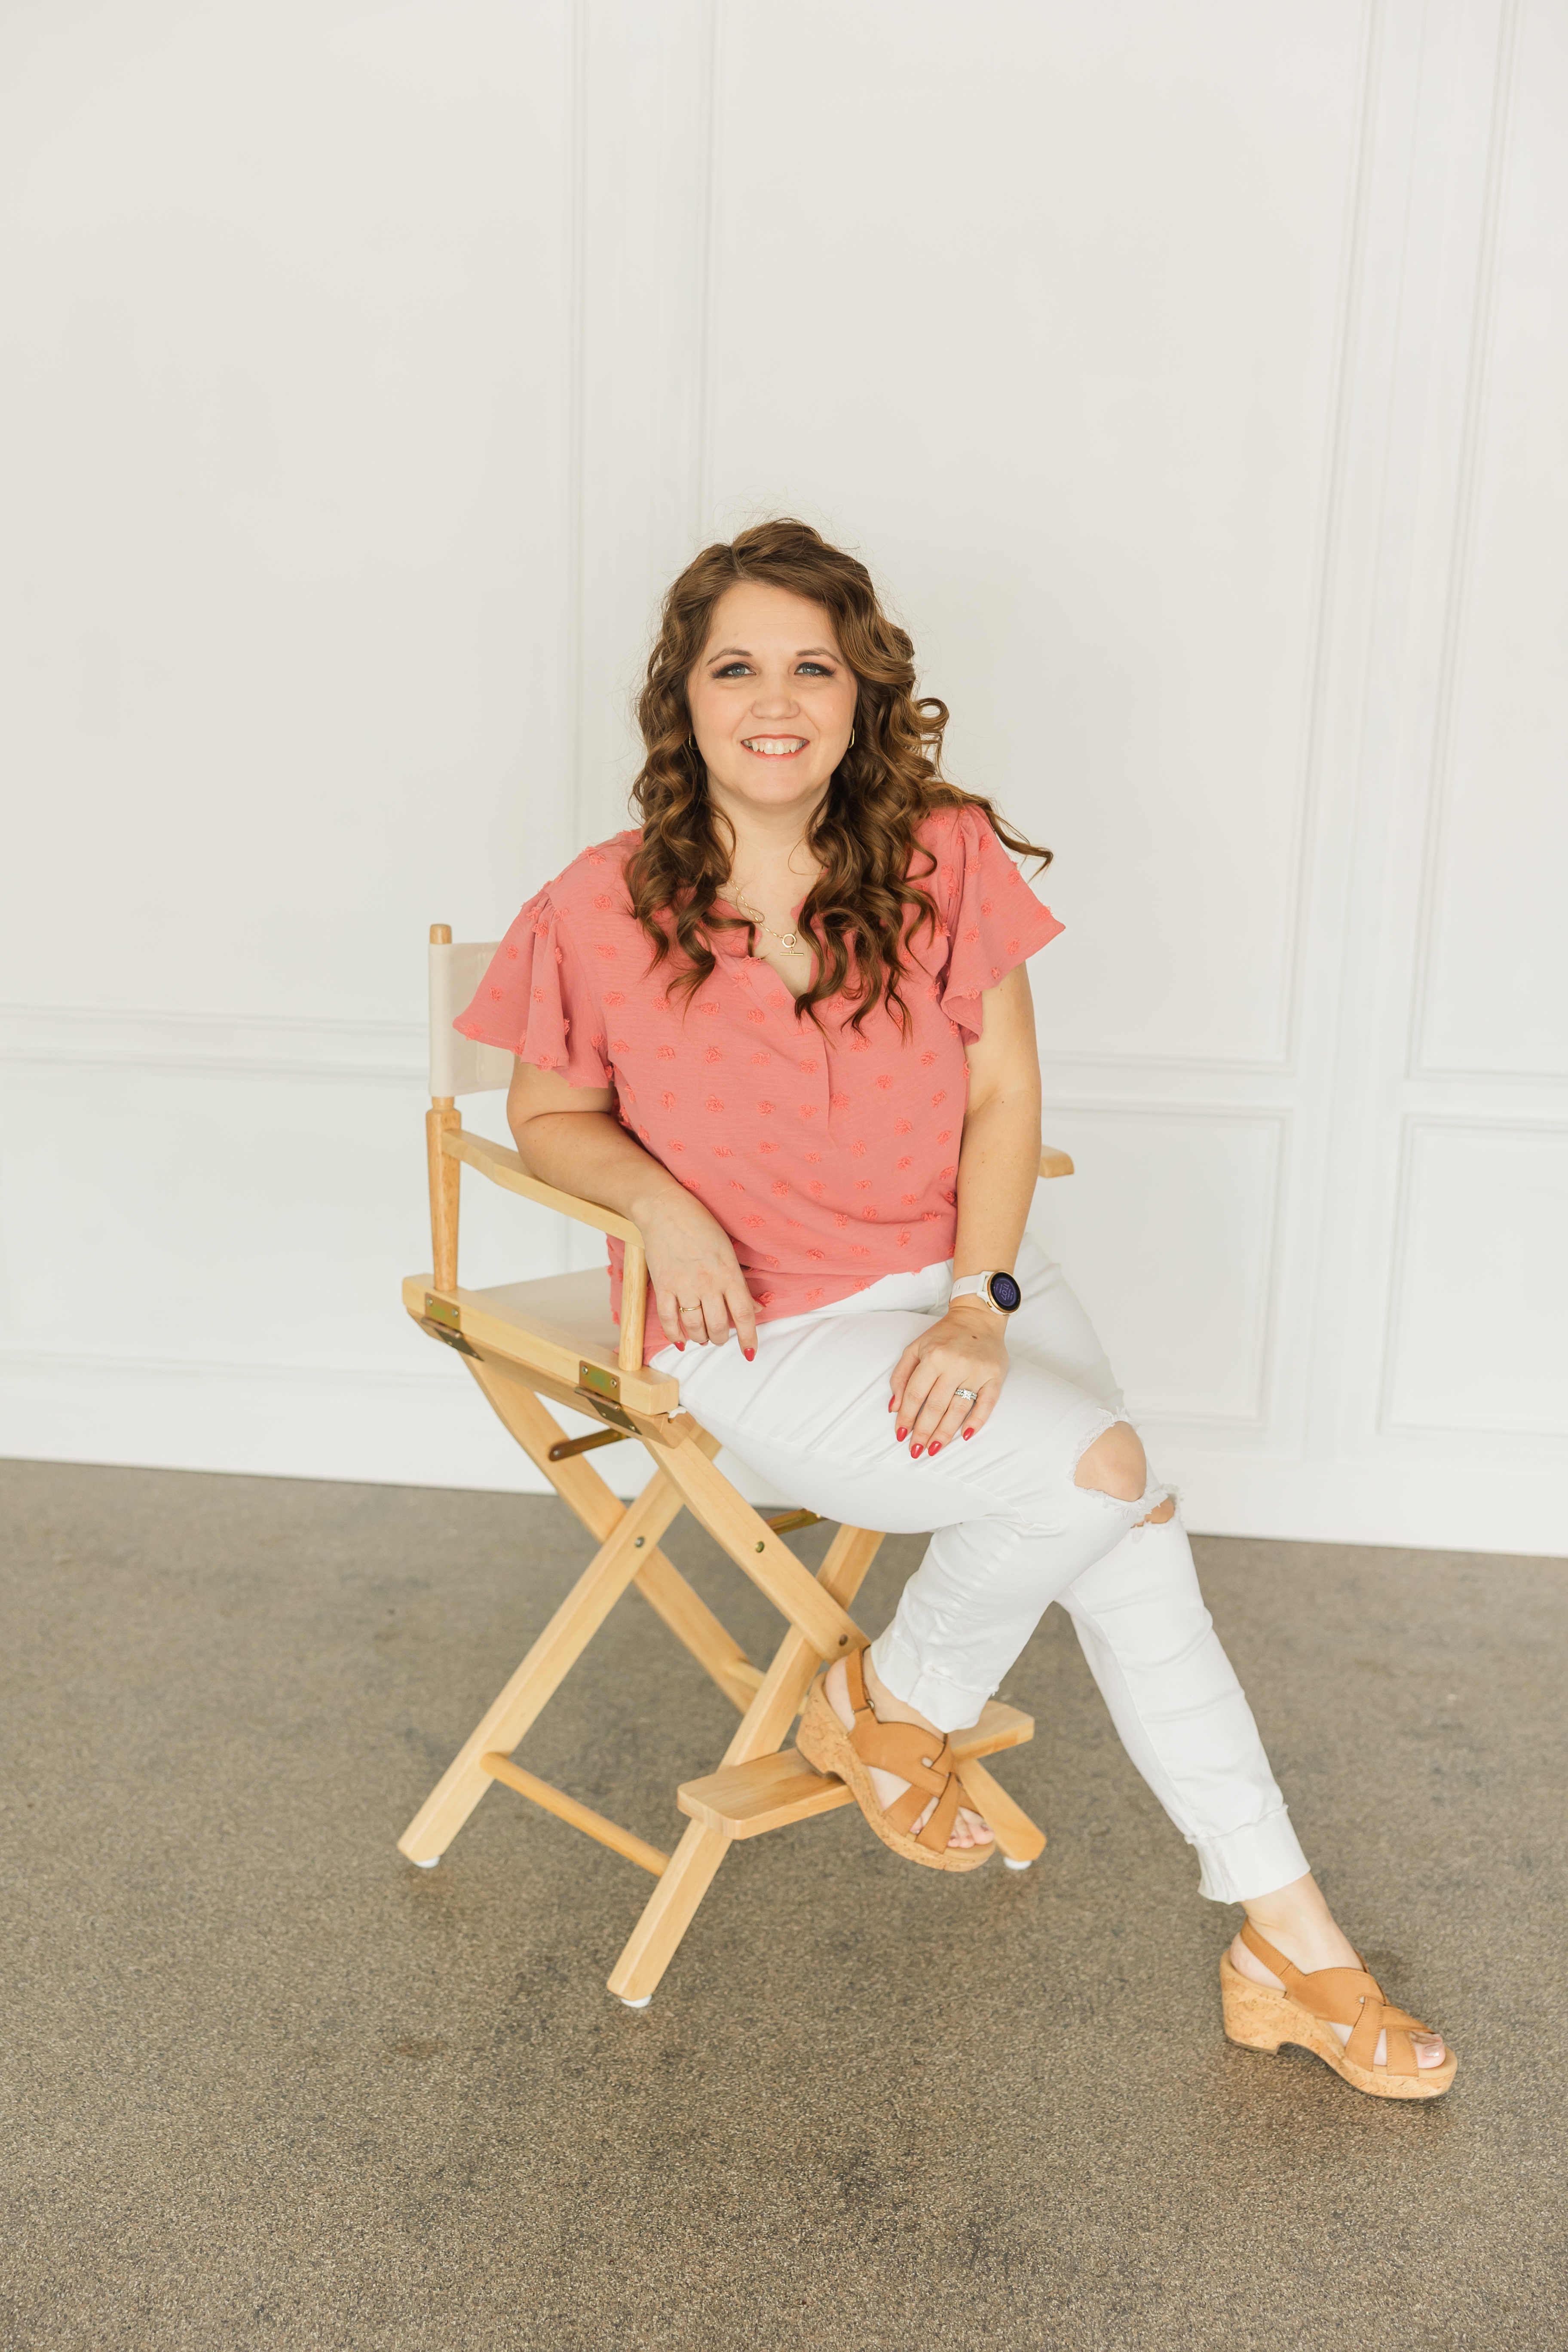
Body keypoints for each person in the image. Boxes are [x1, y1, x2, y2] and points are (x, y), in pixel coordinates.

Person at [457, 518, 1454, 2101]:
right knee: (1104, 1478)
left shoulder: (944, 851)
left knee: (1135, 1534)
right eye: (736, 666)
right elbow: (551, 1113)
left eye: (812, 664)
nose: (774, 698)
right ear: (683, 698)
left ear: (861, 695)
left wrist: (984, 1302)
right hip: (769, 1327)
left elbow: (1004, 1096)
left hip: (967, 1283)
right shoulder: (599, 904)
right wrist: (661, 1199)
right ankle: (909, 1700)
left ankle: (1284, 1937)